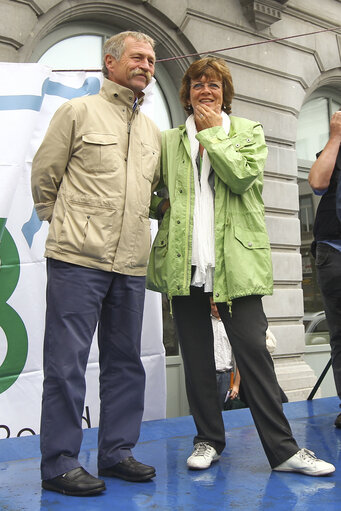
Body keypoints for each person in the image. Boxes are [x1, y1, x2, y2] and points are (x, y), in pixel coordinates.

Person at [147, 57, 335, 476]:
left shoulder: (247, 131)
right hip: (186, 265)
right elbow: (151, 191)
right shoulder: (170, 140)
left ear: (225, 93)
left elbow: (243, 177)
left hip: (237, 264)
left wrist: (213, 135)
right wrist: (166, 207)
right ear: (187, 93)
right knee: (196, 360)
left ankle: (283, 451)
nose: (205, 91)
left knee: (255, 356)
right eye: (197, 84)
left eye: (213, 84)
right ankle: (208, 439)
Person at [31, 31, 161, 496]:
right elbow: (45, 175)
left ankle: (117, 452)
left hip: (129, 262)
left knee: (126, 363)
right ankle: (59, 463)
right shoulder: (78, 111)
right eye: (137, 57)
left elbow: (152, 195)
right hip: (77, 260)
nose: (146, 65)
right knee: (66, 364)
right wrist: (63, 222)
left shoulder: (150, 131)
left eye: (150, 59)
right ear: (110, 63)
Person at [308, 110, 341, 429]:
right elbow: (317, 183)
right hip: (334, 250)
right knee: (340, 335)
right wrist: (336, 137)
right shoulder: (335, 146)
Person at [210, 298, 241, 410]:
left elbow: (240, 357)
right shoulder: (205, 324)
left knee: (225, 413)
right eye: (213, 305)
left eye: (217, 305)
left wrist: (236, 385)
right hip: (209, 375)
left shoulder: (231, 324)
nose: (215, 308)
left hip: (227, 377)